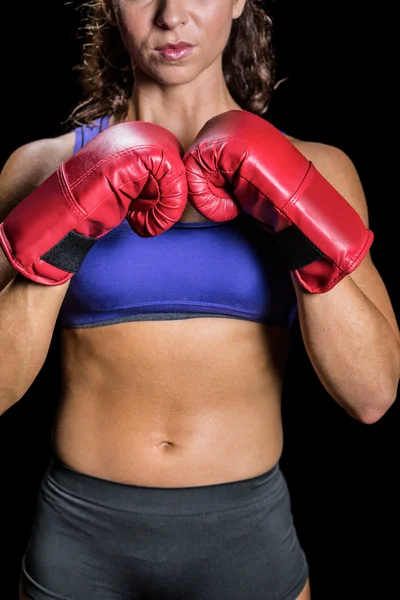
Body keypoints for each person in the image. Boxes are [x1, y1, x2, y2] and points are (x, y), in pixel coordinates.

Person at [0, 0, 399, 599]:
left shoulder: (319, 169)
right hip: (82, 540)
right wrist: (62, 231)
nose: (170, 14)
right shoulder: (42, 168)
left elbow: (372, 395)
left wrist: (296, 217)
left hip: (246, 541)